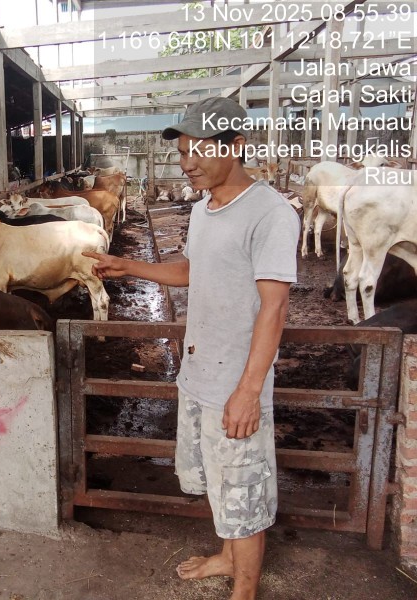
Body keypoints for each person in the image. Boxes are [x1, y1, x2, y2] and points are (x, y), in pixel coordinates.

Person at [84, 97, 299, 600]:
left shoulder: (270, 213)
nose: (187, 162)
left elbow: (275, 308)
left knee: (242, 489)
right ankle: (227, 556)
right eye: (183, 152)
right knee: (218, 480)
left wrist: (248, 391)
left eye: (199, 150)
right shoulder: (204, 209)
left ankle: (245, 588)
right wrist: (128, 266)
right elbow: (191, 269)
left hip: (236, 383)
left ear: (235, 146)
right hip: (200, 372)